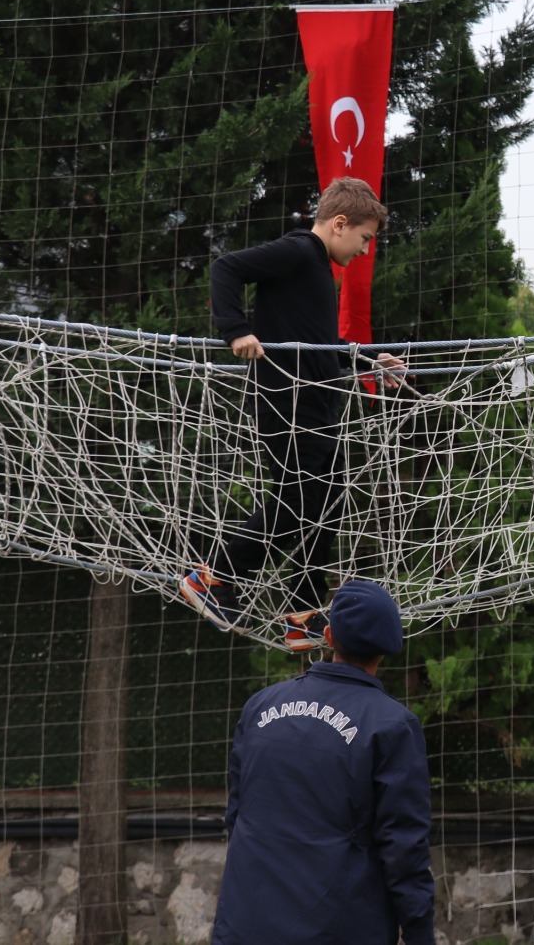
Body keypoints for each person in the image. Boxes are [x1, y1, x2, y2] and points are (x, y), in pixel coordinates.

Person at [179, 176, 403, 649]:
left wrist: (367, 360)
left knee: (329, 502)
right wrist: (236, 330)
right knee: (296, 502)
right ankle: (214, 577)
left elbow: (320, 346)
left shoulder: (320, 271)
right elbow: (226, 268)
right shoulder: (300, 251)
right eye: (364, 238)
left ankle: (304, 612)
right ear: (340, 224)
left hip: (318, 404)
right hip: (286, 400)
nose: (365, 251)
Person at [211, 577, 435, 945]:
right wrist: (419, 931)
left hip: (244, 925)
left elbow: (237, 815)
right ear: (389, 647)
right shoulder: (393, 726)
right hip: (336, 928)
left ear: (328, 637)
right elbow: (404, 849)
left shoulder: (261, 706)